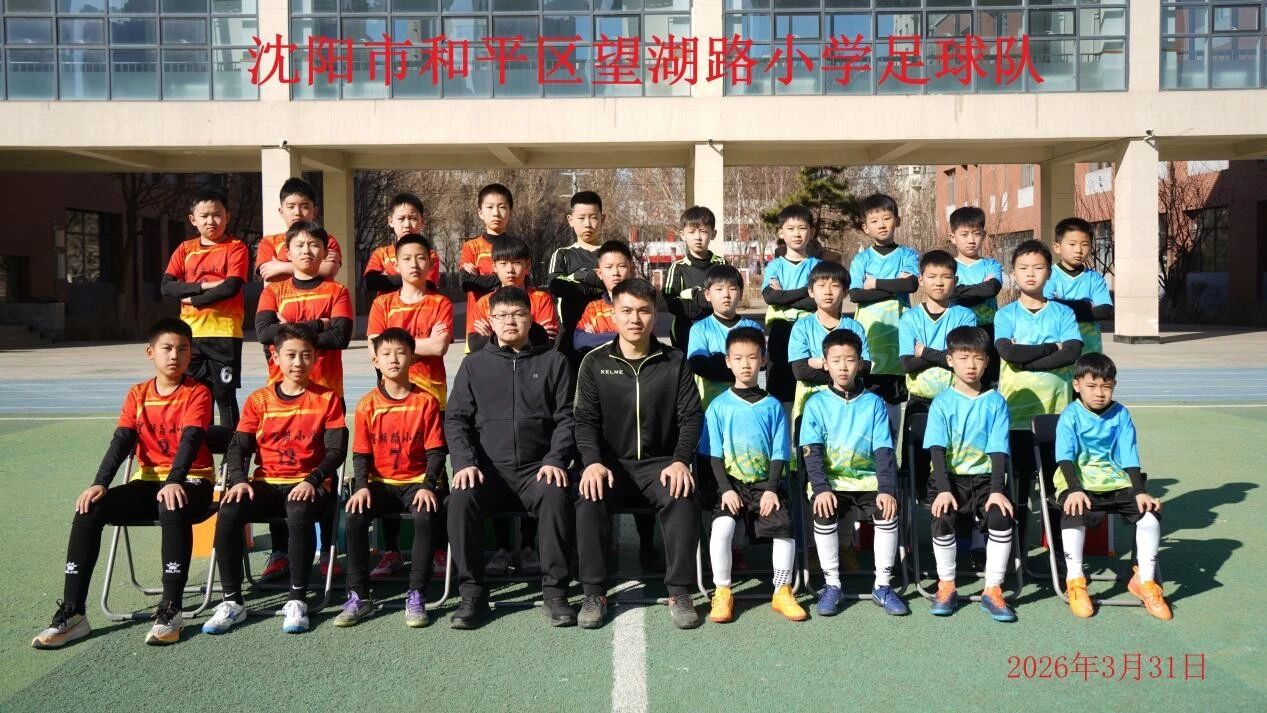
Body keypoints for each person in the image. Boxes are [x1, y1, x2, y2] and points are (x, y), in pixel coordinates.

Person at [32, 319, 216, 649]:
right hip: (147, 482)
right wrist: (99, 483)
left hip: (192, 481)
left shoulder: (198, 392)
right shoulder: (138, 393)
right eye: (167, 348)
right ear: (150, 352)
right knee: (89, 508)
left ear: (191, 354)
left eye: (183, 349)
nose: (175, 355)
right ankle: (74, 613)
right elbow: (122, 441)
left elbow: (190, 439)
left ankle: (171, 609)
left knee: (171, 502)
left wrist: (174, 480)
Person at [573, 278, 705, 630]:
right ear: (613, 314)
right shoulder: (594, 362)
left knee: (683, 494)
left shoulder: (674, 361)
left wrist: (680, 460)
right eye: (627, 311)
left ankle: (679, 591)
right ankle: (594, 592)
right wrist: (592, 463)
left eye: (644, 311)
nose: (635, 319)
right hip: (611, 466)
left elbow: (691, 416)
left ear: (654, 315)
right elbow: (584, 420)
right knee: (588, 497)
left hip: (660, 465)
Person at [445, 287, 579, 629]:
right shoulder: (474, 365)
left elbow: (567, 418)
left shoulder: (554, 362)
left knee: (556, 494)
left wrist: (555, 459)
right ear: (490, 321)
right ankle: (472, 595)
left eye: (517, 314)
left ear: (530, 318)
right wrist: (465, 462)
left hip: (538, 469)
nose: (510, 321)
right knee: (461, 499)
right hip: (489, 470)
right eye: (501, 316)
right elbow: (456, 419)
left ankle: (555, 594)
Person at [202, 323, 348, 636]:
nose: (298, 362)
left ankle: (297, 599)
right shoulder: (259, 400)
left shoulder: (328, 399)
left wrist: (312, 480)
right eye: (291, 355)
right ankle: (232, 601)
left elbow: (336, 451)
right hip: (267, 483)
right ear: (275, 357)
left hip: (311, 484)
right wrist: (239, 480)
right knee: (229, 510)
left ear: (315, 358)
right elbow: (238, 447)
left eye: (306, 355)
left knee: (298, 510)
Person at [253, 220, 353, 582]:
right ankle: (280, 552)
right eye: (300, 245)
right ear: (287, 251)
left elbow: (341, 336)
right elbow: (262, 332)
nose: (307, 251)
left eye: (314, 245)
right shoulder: (274, 290)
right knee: (278, 468)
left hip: (326, 396)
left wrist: (289, 329)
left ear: (325, 252)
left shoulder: (337, 290)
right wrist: (318, 325)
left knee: (325, 472)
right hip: (279, 398)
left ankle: (328, 552)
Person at [335, 328, 447, 629]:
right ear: (376, 360)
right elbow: (360, 454)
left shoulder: (426, 402)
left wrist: (428, 485)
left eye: (401, 353)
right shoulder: (367, 405)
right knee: (355, 514)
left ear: (413, 358)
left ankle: (416, 593)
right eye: (386, 353)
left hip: (416, 482)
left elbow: (436, 451)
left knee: (425, 514)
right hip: (380, 484)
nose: (393, 359)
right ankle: (359, 595)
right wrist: (361, 487)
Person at [699, 327, 806, 624]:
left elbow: (779, 453)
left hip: (764, 486)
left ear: (763, 360)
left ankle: (782, 590)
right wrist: (726, 489)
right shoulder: (718, 406)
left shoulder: (773, 406)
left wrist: (772, 488)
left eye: (752, 357)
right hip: (730, 485)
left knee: (783, 527)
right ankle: (722, 591)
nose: (745, 364)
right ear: (728, 362)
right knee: (721, 528)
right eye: (738, 358)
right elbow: (714, 455)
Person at [801, 330, 907, 617]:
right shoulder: (815, 403)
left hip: (869, 480)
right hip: (832, 482)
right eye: (836, 360)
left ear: (860, 363)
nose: (843, 367)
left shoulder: (874, 403)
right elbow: (811, 453)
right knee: (823, 509)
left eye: (850, 360)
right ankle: (832, 584)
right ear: (826, 364)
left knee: (887, 509)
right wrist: (821, 488)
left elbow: (884, 450)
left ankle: (883, 585)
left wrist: (887, 489)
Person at [1055, 353, 1170, 620]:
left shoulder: (1121, 414)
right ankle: (1075, 581)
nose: (1099, 393)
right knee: (1073, 510)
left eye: (1106, 387)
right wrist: (1074, 488)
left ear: (1114, 386)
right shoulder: (1070, 415)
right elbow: (1064, 455)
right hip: (1077, 481)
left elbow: (1130, 455)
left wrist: (1139, 490)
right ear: (1077, 385)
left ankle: (1145, 581)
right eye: (1092, 386)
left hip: (1115, 480)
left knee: (1149, 515)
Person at [366, 233, 454, 578]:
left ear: (430, 262)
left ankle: (439, 549)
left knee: (436, 473)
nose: (414, 265)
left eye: (421, 258)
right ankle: (390, 550)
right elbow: (375, 349)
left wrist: (396, 346)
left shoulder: (440, 302)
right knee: (388, 468)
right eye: (407, 258)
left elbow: (439, 347)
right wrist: (419, 344)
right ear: (396, 264)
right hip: (390, 400)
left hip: (431, 399)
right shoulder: (382, 305)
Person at [923, 326, 1016, 623]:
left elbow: (999, 450)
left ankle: (993, 589)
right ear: (950, 360)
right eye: (964, 358)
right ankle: (946, 585)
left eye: (978, 358)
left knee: (1001, 516)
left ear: (987, 361)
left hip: (987, 480)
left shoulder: (996, 402)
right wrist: (943, 489)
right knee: (942, 514)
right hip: (949, 479)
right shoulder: (941, 402)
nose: (971, 365)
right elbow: (937, 450)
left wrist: (998, 490)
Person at [995, 239, 1082, 537]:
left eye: (1038, 267)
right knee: (1018, 490)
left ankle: (1058, 550)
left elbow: (1071, 353)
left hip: (1055, 416)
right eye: (1023, 268)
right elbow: (1009, 352)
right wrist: (1050, 348)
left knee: (1055, 488)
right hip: (1016, 419)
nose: (1030, 274)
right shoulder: (1005, 314)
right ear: (1013, 273)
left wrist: (1027, 361)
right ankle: (1016, 552)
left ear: (1049, 273)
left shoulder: (1063, 313)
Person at [160, 187, 248, 428]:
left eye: (217, 214)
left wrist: (193, 299)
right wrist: (203, 286)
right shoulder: (185, 249)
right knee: (198, 396)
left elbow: (230, 287)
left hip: (225, 334)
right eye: (204, 216)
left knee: (224, 396)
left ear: (227, 216)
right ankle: (202, 448)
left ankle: (231, 450)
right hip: (190, 336)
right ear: (193, 219)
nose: (211, 221)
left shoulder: (236, 247)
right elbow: (167, 286)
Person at [847, 193, 920, 417]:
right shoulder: (861, 259)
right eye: (874, 221)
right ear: (865, 227)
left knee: (894, 399)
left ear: (897, 220)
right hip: (870, 337)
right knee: (867, 396)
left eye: (887, 218)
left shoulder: (907, 254)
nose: (881, 225)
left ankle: (893, 438)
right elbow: (856, 294)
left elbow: (910, 284)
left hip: (898, 336)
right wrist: (894, 286)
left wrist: (874, 283)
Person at [788, 260, 869, 420]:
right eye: (821, 285)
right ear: (811, 291)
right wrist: (844, 373)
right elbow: (800, 370)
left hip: (848, 404)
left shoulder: (855, 327)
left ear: (845, 292)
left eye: (835, 286)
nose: (828, 292)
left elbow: (865, 366)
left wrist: (821, 364)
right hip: (809, 404)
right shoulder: (802, 326)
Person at [761, 204, 821, 403]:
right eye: (791, 228)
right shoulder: (775, 265)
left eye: (802, 228)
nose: (797, 234)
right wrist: (806, 290)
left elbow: (817, 302)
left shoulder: (818, 267)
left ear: (811, 232)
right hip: (781, 331)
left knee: (809, 385)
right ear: (781, 233)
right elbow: (771, 297)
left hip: (809, 330)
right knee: (780, 389)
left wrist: (784, 297)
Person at [685, 264, 763, 411]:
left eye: (732, 289)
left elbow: (762, 362)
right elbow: (698, 365)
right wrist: (740, 368)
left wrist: (717, 360)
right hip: (711, 406)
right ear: (707, 295)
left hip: (747, 404)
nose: (726, 294)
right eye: (719, 289)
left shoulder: (753, 327)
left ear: (741, 294)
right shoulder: (700, 329)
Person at [466, 235, 558, 352]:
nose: (510, 269)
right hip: (496, 363)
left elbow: (547, 341)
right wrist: (531, 332)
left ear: (527, 265)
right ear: (494, 266)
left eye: (516, 262)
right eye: (503, 263)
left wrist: (493, 336)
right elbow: (475, 344)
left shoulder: (541, 299)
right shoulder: (484, 303)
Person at [547, 190, 607, 368]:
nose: (587, 224)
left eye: (593, 217)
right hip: (570, 334)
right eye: (581, 218)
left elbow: (619, 286)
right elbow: (557, 286)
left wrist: (575, 279)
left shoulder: (611, 254)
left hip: (606, 332)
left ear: (603, 219)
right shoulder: (562, 254)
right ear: (570, 220)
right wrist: (593, 284)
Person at [946, 206, 1003, 385]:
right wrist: (979, 289)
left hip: (988, 330)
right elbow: (948, 294)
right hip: (958, 331)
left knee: (989, 382)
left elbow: (991, 289)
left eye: (976, 234)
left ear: (984, 235)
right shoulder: (948, 266)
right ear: (953, 237)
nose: (971, 240)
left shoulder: (991, 265)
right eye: (964, 234)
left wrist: (959, 290)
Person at [1045, 217, 1114, 355]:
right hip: (1058, 345)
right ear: (1057, 247)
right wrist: (1086, 305)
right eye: (1072, 244)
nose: (1079, 250)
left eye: (1085, 244)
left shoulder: (1095, 278)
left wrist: (1061, 305)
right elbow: (1046, 307)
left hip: (1090, 346)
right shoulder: (1048, 276)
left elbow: (1104, 310)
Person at [255, 177, 342, 285]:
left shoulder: (327, 240)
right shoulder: (269, 242)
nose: (297, 213)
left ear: (314, 212)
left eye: (304, 207)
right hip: (280, 296)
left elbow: (328, 270)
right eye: (291, 207)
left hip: (321, 295)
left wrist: (282, 267)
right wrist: (314, 267)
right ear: (281, 211)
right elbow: (268, 274)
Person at [664, 205, 728, 351]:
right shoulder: (677, 267)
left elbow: (728, 296)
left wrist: (694, 296)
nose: (698, 237)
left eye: (703, 231)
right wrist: (701, 306)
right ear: (683, 235)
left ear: (713, 234)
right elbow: (670, 301)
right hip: (685, 331)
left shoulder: (721, 264)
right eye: (692, 232)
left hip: (717, 329)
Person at [459, 183, 514, 340]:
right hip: (478, 325)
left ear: (510, 212)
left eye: (502, 207)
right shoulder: (471, 247)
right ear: (480, 213)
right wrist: (504, 278)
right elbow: (466, 283)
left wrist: (479, 278)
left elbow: (520, 282)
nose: (496, 213)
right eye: (490, 207)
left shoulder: (516, 247)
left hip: (510, 324)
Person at [363, 191, 442, 295]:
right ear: (391, 221)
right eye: (401, 218)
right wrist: (414, 276)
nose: (407, 225)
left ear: (422, 221)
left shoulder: (430, 255)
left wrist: (388, 278)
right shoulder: (381, 253)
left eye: (412, 218)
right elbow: (371, 283)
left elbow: (428, 284)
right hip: (386, 306)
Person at [572, 239, 632, 357]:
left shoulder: (640, 303)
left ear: (631, 269)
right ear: (599, 273)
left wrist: (596, 337)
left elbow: (643, 338)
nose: (615, 272)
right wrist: (624, 337)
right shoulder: (593, 308)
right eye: (609, 267)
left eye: (621, 266)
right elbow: (579, 342)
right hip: (599, 367)